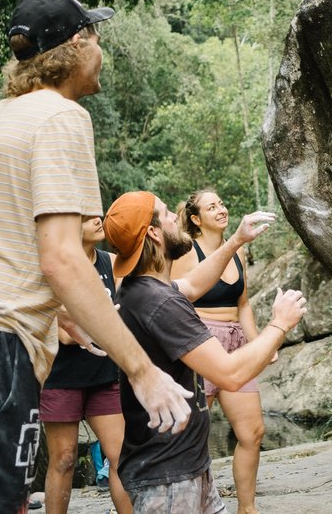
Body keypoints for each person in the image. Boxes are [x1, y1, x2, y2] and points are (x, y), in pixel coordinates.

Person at [0, 0, 193, 513]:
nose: (102, 50)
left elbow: (2, 247)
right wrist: (143, 373)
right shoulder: (62, 116)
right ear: (77, 45)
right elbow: (61, 259)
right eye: (97, 38)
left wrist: (66, 320)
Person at [103, 191, 307, 513]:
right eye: (167, 213)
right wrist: (280, 324)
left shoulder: (144, 288)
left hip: (187, 467)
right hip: (168, 479)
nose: (175, 217)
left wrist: (236, 241)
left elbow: (194, 285)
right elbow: (229, 373)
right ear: (154, 233)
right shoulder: (160, 304)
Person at [171, 189, 273, 514]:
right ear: (196, 219)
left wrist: (259, 343)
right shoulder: (187, 253)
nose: (221, 209)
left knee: (252, 431)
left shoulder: (237, 252)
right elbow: (173, 300)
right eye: (211, 207)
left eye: (222, 203)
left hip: (237, 343)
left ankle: (247, 508)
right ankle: (198, 506)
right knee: (195, 439)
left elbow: (243, 304)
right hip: (202, 345)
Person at [40, 215, 130, 514]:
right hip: (61, 377)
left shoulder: (111, 263)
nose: (97, 219)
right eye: (86, 216)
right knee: (64, 459)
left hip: (104, 375)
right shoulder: (55, 266)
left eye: (98, 214)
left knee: (119, 456)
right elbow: (65, 337)